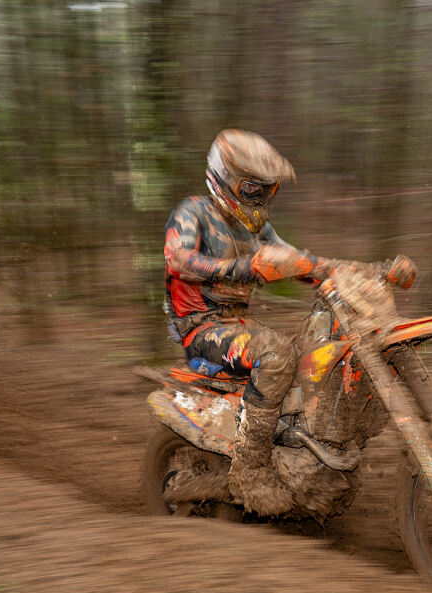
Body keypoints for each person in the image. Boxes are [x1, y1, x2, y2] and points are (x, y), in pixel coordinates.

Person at [162, 129, 415, 516]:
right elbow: (179, 260)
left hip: (240, 327)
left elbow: (306, 263)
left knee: (319, 358)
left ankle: (308, 455)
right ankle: (250, 470)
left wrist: (376, 272)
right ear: (226, 179)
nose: (260, 198)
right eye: (252, 188)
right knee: (277, 355)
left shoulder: (256, 228)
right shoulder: (193, 212)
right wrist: (244, 266)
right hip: (202, 329)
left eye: (267, 190)